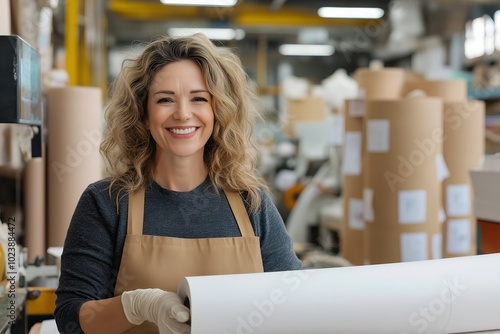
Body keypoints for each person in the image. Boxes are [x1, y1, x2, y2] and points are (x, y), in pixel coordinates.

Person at [54, 33, 302, 334]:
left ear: (217, 111)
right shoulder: (106, 202)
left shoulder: (252, 203)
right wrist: (138, 306)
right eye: (165, 100)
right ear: (143, 114)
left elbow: (294, 304)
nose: (183, 113)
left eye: (199, 98)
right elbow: (70, 319)